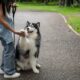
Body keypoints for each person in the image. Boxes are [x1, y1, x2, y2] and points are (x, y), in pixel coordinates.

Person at [0, 0, 25, 78]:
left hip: (3, 30)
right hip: (3, 30)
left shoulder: (4, 2)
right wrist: (15, 32)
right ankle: (9, 73)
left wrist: (10, 5)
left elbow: (4, 15)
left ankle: (3, 68)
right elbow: (1, 19)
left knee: (7, 49)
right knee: (10, 49)